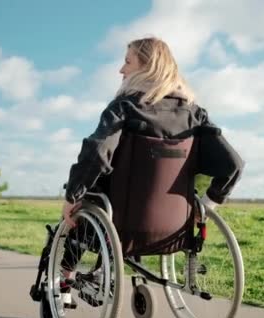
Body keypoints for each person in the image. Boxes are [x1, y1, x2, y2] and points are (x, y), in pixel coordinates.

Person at [62, 37, 244, 227]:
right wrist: (207, 205)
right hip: (176, 225)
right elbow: (233, 165)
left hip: (120, 221)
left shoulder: (124, 107)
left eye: (127, 62)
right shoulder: (194, 114)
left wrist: (72, 196)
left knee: (83, 200)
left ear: (148, 67)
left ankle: (61, 256)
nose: (121, 70)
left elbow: (97, 154)